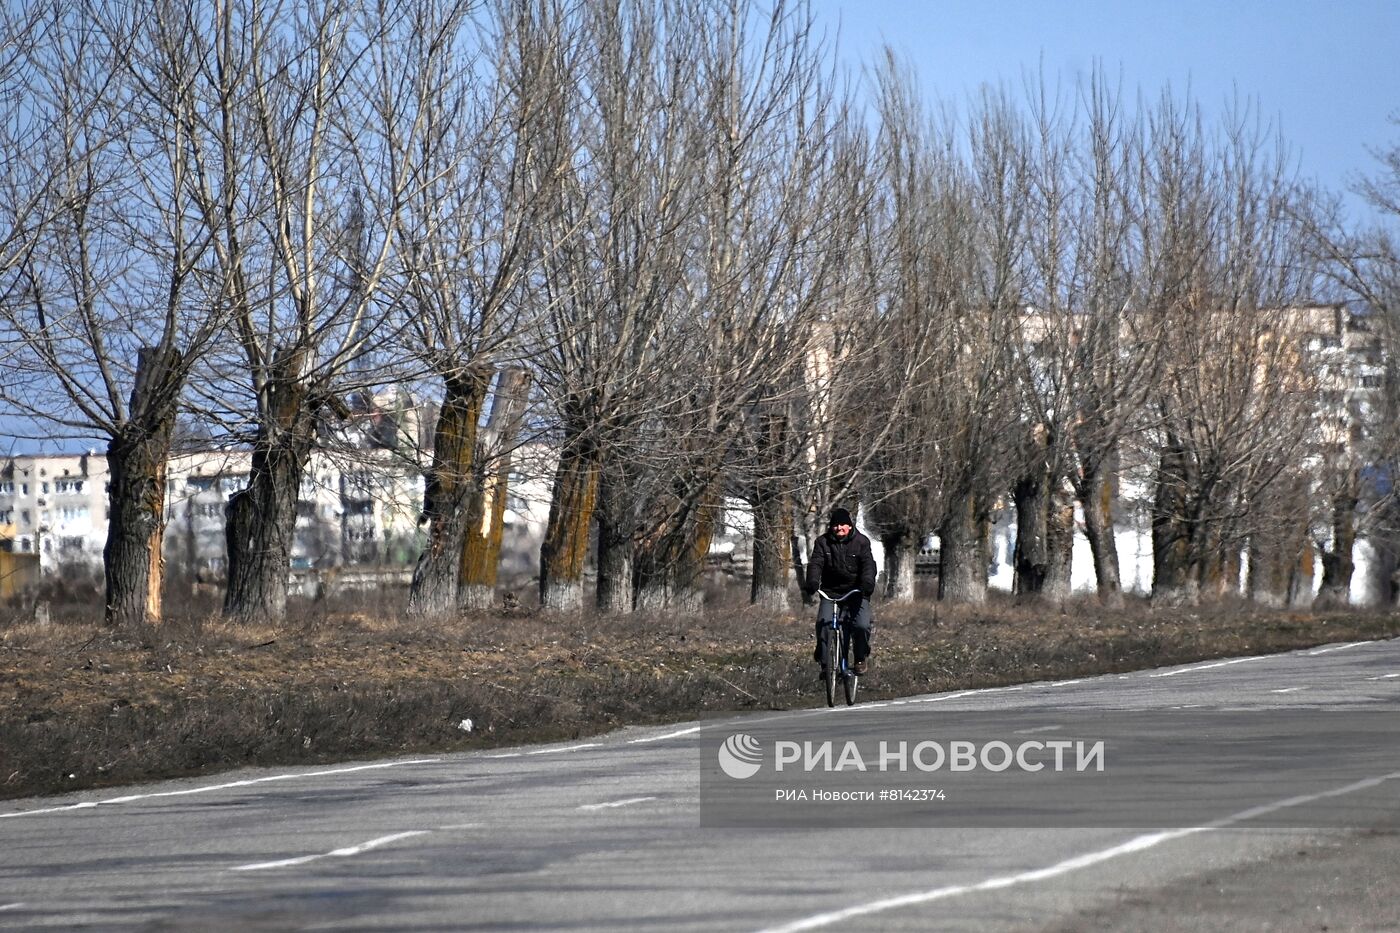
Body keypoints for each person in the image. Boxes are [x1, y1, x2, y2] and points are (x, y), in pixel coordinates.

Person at [803, 506, 876, 676]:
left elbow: (868, 566)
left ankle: (859, 657)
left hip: (857, 592)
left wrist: (867, 584)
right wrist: (813, 582)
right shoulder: (822, 542)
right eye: (835, 525)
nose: (839, 528)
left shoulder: (861, 542)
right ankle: (826, 665)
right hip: (830, 592)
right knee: (824, 624)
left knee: (861, 625)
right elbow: (816, 564)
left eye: (843, 525)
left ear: (850, 526)